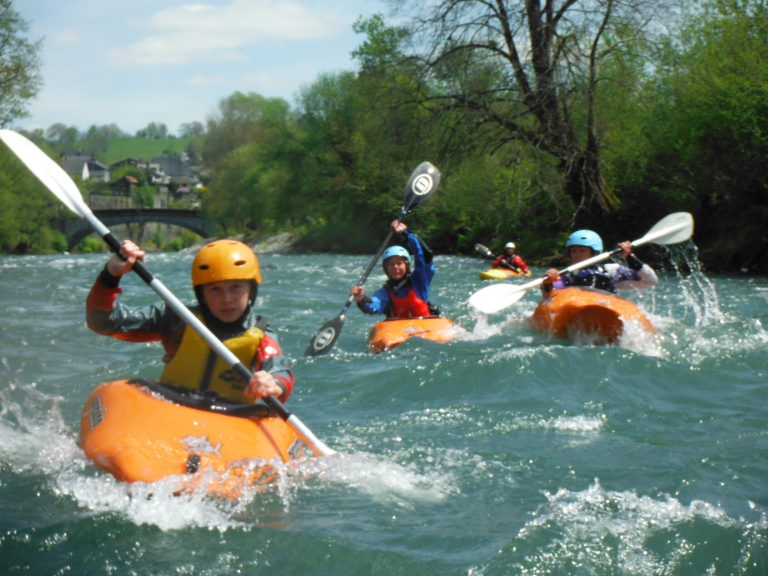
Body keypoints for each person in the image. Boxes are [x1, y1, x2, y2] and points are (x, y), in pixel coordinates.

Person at [86, 238, 293, 404]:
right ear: (201, 294)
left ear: (251, 290)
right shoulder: (177, 319)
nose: (227, 299)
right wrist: (110, 276)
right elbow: (104, 322)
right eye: (215, 289)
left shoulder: (262, 337)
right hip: (171, 406)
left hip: (231, 418)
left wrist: (274, 384)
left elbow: (280, 373)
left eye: (235, 287)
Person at [350, 220, 438, 318]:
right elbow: (374, 306)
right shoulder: (385, 292)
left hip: (424, 324)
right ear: (386, 268)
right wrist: (361, 299)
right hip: (399, 326)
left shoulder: (419, 281)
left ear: (406, 265)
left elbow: (425, 256)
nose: (395, 267)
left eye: (399, 263)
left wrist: (406, 233)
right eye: (391, 264)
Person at [542, 229, 658, 294]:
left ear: (595, 253)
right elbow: (552, 294)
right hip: (576, 308)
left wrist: (629, 256)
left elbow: (650, 280)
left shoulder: (612, 271)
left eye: (582, 251)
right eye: (573, 251)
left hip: (605, 306)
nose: (577, 255)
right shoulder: (566, 275)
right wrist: (548, 282)